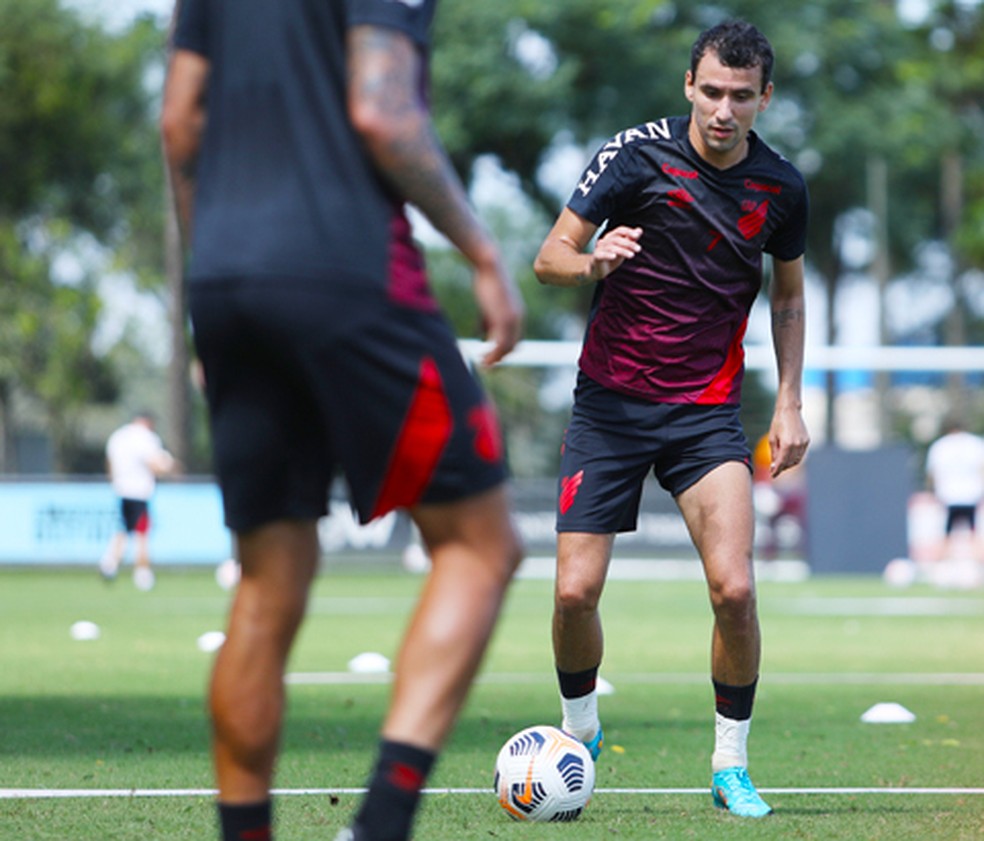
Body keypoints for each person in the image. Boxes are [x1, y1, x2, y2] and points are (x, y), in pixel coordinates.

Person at [160, 1, 524, 840]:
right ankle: (380, 825)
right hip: (347, 271)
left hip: (224, 278)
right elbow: (382, 111)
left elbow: (179, 122)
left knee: (266, 582)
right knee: (481, 545)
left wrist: (210, 279)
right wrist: (482, 250)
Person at [533, 20, 810, 819]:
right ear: (689, 84)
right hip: (609, 406)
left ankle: (730, 765)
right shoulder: (632, 156)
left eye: (741, 96)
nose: (724, 110)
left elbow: (789, 295)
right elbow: (549, 257)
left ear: (765, 98)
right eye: (711, 91)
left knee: (735, 589)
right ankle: (579, 732)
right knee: (573, 593)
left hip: (706, 413)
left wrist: (790, 400)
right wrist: (593, 261)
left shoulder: (781, 186)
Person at [99, 411, 176, 591]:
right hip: (140, 492)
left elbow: (110, 463)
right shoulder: (146, 438)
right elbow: (154, 464)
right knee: (142, 533)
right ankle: (142, 573)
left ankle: (109, 564)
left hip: (121, 490)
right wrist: (170, 467)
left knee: (124, 529)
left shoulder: (118, 436)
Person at [925, 416, 984, 562]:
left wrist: (932, 492)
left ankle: (940, 562)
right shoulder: (975, 444)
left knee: (947, 531)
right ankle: (979, 561)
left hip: (948, 494)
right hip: (971, 494)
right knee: (973, 530)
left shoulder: (940, 446)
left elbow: (932, 473)